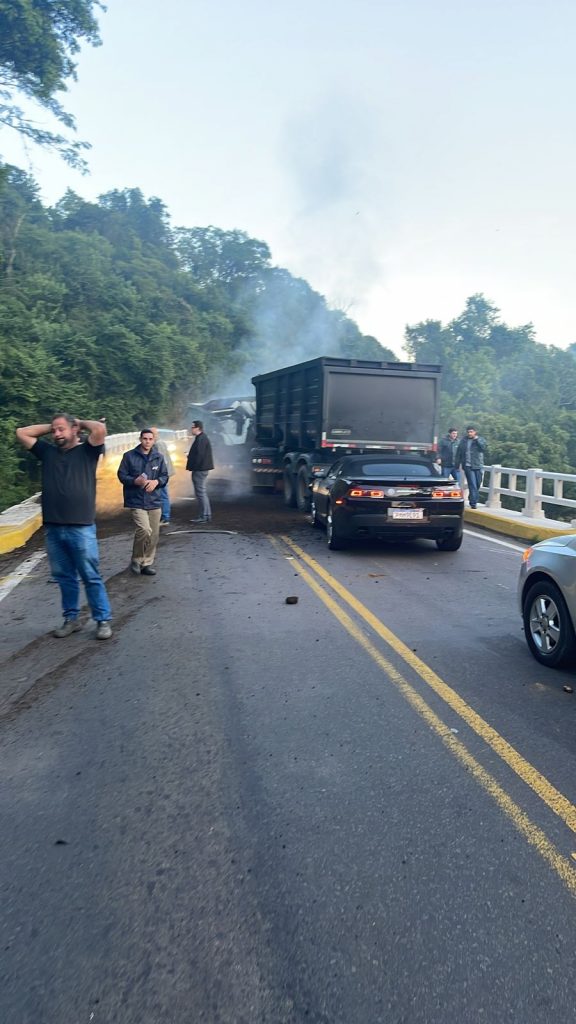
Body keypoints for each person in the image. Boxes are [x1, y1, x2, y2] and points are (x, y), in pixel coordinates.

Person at [15, 413, 112, 640]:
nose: (57, 434)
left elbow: (99, 430)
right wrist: (51, 427)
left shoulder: (88, 451)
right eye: (55, 430)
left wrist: (79, 422)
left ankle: (103, 620)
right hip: (54, 529)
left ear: (74, 430)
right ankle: (71, 619)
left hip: (81, 527)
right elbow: (22, 432)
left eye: (62, 429)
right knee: (65, 577)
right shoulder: (47, 452)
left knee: (90, 576)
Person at [117, 428, 169, 575]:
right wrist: (135, 481)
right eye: (145, 438)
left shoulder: (158, 457)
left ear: (154, 441)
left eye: (150, 439)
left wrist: (157, 482)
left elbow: (165, 476)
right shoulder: (128, 456)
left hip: (154, 500)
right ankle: (136, 559)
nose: (147, 441)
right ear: (140, 439)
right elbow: (121, 475)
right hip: (136, 500)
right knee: (145, 530)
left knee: (154, 534)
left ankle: (147, 563)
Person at [186, 420, 214, 523]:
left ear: (198, 428)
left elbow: (200, 455)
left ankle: (204, 516)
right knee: (201, 492)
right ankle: (206, 515)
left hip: (199, 469)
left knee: (200, 493)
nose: (191, 429)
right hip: (201, 469)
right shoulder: (202, 438)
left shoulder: (201, 439)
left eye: (192, 427)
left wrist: (192, 461)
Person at [456, 425, 488, 509]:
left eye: (471, 432)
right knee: (472, 484)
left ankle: (472, 498)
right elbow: (459, 453)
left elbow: (483, 449)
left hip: (478, 465)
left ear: (475, 432)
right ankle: (473, 503)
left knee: (477, 484)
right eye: (468, 432)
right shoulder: (463, 441)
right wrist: (457, 465)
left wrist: (477, 440)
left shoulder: (480, 439)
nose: (470, 433)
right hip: (468, 466)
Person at [151, 427, 175, 525]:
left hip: (162, 474)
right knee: (162, 495)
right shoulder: (160, 442)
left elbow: (161, 460)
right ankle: (164, 516)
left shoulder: (158, 444)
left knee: (163, 495)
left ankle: (165, 517)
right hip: (164, 473)